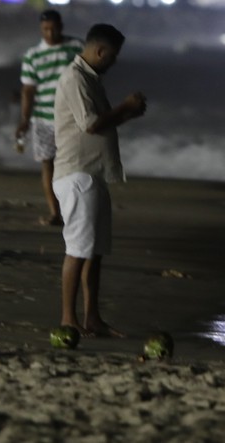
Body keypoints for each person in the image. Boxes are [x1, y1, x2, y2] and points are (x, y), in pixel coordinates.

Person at [52, 23, 147, 337]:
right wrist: (125, 107)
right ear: (100, 51)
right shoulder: (75, 78)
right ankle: (68, 318)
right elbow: (91, 124)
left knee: (93, 251)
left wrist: (128, 114)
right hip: (77, 174)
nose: (114, 62)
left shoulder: (90, 79)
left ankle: (92, 318)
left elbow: (101, 123)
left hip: (92, 173)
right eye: (113, 56)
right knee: (78, 249)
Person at [16, 9, 83, 226]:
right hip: (42, 118)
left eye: (53, 28)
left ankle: (74, 210)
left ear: (61, 26)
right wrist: (24, 120)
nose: (50, 33)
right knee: (48, 165)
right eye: (45, 29)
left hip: (72, 118)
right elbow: (28, 90)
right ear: (40, 29)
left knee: (74, 165)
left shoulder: (77, 48)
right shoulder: (32, 55)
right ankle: (55, 212)